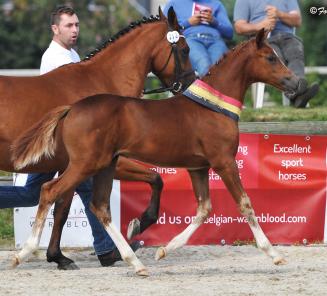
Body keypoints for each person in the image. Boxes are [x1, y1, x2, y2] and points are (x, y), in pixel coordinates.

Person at [0, 5, 139, 266]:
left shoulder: (72, 54)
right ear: (55, 29)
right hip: (54, 139)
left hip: (59, 140)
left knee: (32, 194)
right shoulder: (55, 58)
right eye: (68, 26)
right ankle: (105, 249)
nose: (75, 30)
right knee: (86, 185)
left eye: (76, 25)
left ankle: (99, 248)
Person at [233, 0, 319, 108]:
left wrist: (279, 14)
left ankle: (297, 93)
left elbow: (297, 21)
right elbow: (239, 27)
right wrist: (261, 26)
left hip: (288, 37)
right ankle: (298, 93)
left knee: (296, 52)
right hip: (263, 40)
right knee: (277, 60)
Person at [163, 0, 233, 77]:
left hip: (216, 41)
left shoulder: (216, 3)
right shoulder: (173, 3)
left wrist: (214, 22)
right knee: (205, 67)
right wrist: (187, 23)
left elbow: (229, 33)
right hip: (190, 39)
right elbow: (164, 31)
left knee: (219, 70)